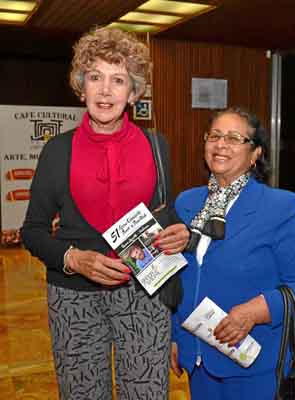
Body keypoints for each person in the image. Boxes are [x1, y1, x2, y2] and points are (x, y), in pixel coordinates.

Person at [21, 26, 189, 400]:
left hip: (145, 292)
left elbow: (168, 216)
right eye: (95, 77)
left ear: (133, 92)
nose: (106, 90)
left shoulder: (157, 146)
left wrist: (178, 233)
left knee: (146, 394)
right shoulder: (57, 151)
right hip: (73, 296)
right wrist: (73, 259)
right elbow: (32, 231)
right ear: (82, 86)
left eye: (118, 80)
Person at [170, 107, 295, 400]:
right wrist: (175, 336)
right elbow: (175, 275)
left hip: (254, 364)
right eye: (214, 135)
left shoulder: (278, 206)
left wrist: (254, 311)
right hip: (198, 361)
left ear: (255, 155)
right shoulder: (187, 203)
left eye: (234, 138)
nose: (221, 144)